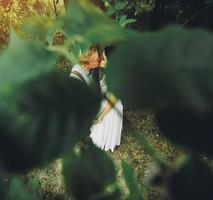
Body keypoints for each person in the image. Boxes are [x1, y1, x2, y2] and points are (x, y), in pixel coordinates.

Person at [70, 47, 123, 152]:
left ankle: (107, 136)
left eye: (98, 55)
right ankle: (97, 139)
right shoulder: (76, 80)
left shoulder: (89, 67)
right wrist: (98, 117)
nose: (100, 59)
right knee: (114, 106)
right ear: (85, 64)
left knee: (115, 103)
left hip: (94, 99)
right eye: (97, 60)